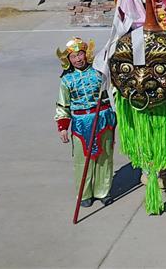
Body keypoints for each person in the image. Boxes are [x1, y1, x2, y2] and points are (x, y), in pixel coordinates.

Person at [54, 37, 115, 207]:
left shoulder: (98, 72)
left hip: (103, 117)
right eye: (73, 57)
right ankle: (85, 193)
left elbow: (112, 91)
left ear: (86, 54)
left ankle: (103, 191)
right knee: (82, 160)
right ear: (68, 60)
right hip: (81, 122)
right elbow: (62, 105)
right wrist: (63, 127)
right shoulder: (66, 80)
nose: (78, 59)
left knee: (105, 157)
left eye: (80, 54)